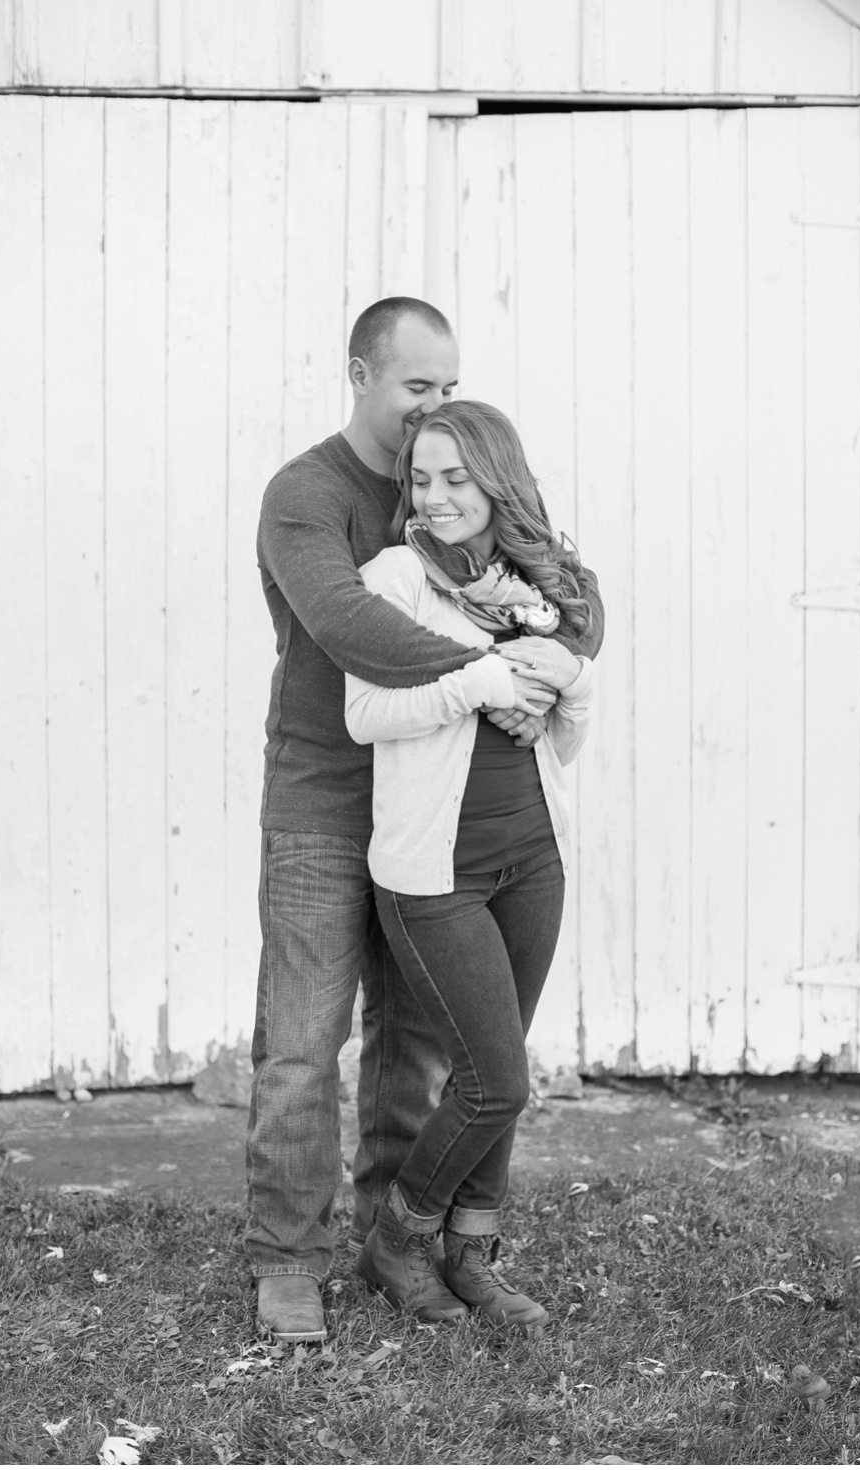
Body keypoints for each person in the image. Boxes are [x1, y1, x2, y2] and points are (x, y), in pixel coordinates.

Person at [249, 298, 602, 1344]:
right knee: (302, 1046)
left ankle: (390, 1239)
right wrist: (498, 673)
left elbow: (571, 606)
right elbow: (355, 627)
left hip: (438, 813)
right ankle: (286, 1261)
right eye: (415, 388)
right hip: (324, 794)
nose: (432, 410)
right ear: (358, 375)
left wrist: (551, 661)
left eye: (448, 387)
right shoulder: (305, 496)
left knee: (415, 1049)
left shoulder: (460, 474)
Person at [346, 400, 595, 1329]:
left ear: (496, 480)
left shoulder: (529, 578)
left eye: (456, 479)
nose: (436, 497)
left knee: (497, 1072)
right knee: (496, 1079)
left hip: (535, 855)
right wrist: (476, 684)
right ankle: (397, 1243)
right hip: (434, 871)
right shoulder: (393, 579)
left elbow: (568, 719)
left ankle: (473, 1254)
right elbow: (365, 715)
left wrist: (560, 689)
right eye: (421, 479)